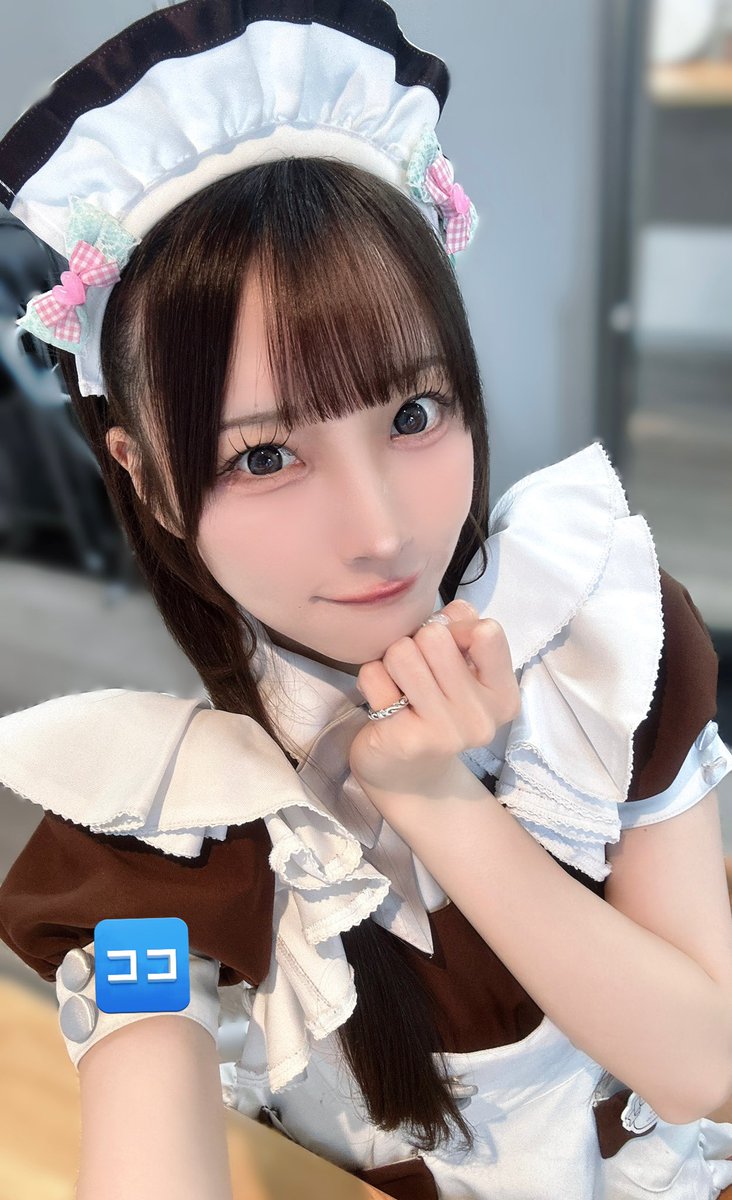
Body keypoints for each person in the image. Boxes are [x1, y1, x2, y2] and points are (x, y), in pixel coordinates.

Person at [0, 2, 732, 1197]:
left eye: (413, 413)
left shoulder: (600, 641)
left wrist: (436, 799)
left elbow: (703, 1066)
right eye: (265, 456)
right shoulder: (158, 829)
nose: (382, 529)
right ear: (148, 478)